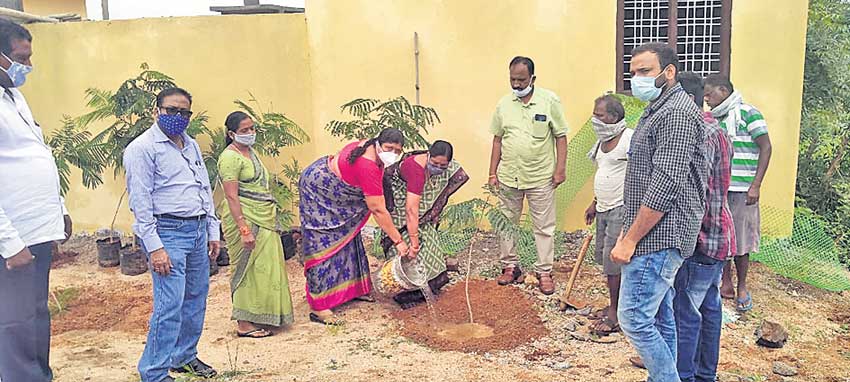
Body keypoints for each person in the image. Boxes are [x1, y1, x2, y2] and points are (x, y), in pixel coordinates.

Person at [611, 42, 707, 382]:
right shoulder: (658, 108)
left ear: (668, 72)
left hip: (660, 234)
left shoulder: (677, 113)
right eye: (633, 72)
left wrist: (630, 239)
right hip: (650, 230)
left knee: (634, 318)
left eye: (645, 71)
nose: (637, 78)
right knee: (660, 316)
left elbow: (665, 184)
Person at [124, 87, 221, 382]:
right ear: (157, 111)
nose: (178, 117)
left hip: (197, 229)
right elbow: (140, 202)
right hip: (168, 233)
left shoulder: (190, 145)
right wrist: (154, 247)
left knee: (195, 299)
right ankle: (153, 372)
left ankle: (184, 356)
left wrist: (212, 230)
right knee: (169, 305)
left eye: (184, 112)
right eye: (172, 111)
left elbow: (203, 187)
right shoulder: (142, 149)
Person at [0, 19, 73, 382]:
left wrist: (60, 211)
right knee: (12, 324)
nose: (26, 66)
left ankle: (37, 376)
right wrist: (10, 244)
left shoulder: (14, 97)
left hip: (36, 231)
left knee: (34, 316)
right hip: (12, 241)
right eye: (18, 58)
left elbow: (37, 155)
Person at [298, 128, 409, 324]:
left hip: (338, 191)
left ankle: (353, 290)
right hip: (319, 190)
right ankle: (319, 307)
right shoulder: (367, 165)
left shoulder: (372, 151)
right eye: (389, 148)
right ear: (378, 144)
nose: (393, 154)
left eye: (397, 151)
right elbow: (377, 209)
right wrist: (398, 241)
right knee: (324, 245)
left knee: (349, 236)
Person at [488, 56, 569, 295]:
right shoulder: (503, 105)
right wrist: (492, 172)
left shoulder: (549, 101)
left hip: (540, 176)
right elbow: (497, 139)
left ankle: (544, 271)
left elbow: (561, 136)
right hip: (509, 176)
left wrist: (560, 169)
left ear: (533, 78)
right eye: (512, 79)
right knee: (506, 224)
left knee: (544, 226)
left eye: (521, 80)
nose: (516, 84)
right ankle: (510, 266)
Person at [675, 72, 737, 382]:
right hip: (720, 234)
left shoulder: (696, 134)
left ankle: (683, 375)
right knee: (709, 307)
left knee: (684, 310)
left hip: (700, 238)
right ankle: (704, 375)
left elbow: (692, 195)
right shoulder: (718, 130)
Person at [217, 111, 294, 338]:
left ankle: (265, 315)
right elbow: (231, 196)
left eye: (252, 129)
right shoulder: (229, 158)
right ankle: (244, 323)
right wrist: (244, 229)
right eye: (244, 131)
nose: (250, 133)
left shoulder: (251, 152)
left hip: (264, 216)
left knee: (267, 267)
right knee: (246, 268)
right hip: (245, 218)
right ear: (231, 134)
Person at [705, 74, 772, 312]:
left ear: (724, 90)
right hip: (719, 189)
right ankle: (725, 282)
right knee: (722, 236)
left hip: (743, 190)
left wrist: (756, 184)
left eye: (709, 94)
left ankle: (742, 286)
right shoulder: (713, 119)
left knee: (741, 240)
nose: (707, 100)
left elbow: (766, 147)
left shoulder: (747, 113)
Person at [380, 140, 469, 308]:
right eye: (435, 163)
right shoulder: (415, 170)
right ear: (428, 155)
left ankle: (429, 286)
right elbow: (411, 211)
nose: (439, 168)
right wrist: (413, 242)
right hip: (400, 210)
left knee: (430, 244)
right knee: (406, 250)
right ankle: (406, 294)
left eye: (443, 166)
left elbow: (459, 175)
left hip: (419, 214)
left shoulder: (446, 166)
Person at [584, 94, 631, 336]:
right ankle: (616, 305)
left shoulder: (628, 139)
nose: (595, 119)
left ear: (613, 117)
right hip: (603, 208)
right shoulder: (602, 142)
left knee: (614, 263)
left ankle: (616, 314)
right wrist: (593, 203)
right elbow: (604, 173)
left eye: (599, 115)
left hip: (620, 208)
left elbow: (638, 173)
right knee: (605, 261)